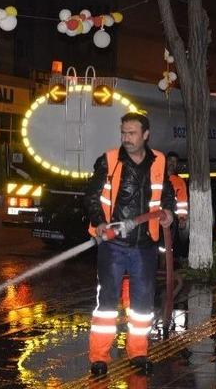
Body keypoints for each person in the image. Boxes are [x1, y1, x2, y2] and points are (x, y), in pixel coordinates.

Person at [85, 112, 175, 377]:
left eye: (132, 133)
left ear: (146, 135)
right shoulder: (110, 160)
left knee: (142, 306)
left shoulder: (158, 161)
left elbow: (167, 195)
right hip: (113, 245)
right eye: (124, 132)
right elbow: (90, 195)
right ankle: (99, 357)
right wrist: (100, 222)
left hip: (145, 246)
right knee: (108, 303)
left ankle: (138, 352)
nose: (126, 138)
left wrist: (168, 212)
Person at [165, 152, 189, 258]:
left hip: (171, 220)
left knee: (167, 247)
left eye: (174, 162)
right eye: (170, 160)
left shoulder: (179, 182)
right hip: (155, 217)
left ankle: (166, 269)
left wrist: (182, 218)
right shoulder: (158, 177)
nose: (172, 163)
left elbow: (182, 202)